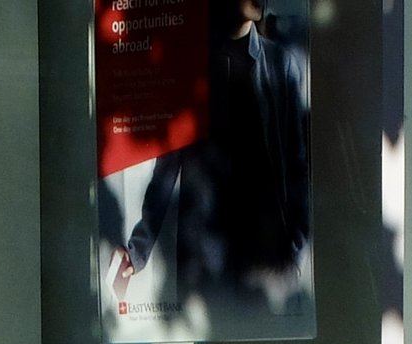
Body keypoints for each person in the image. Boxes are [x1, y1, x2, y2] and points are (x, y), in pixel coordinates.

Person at [111, 2, 310, 307]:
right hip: (206, 258)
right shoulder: (190, 69)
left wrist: (296, 246)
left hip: (267, 256)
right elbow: (165, 170)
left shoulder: (280, 64)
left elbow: (298, 166)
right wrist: (137, 253)